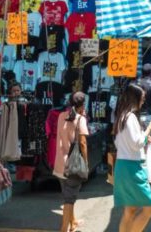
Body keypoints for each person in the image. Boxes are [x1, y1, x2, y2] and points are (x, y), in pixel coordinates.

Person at [113, 83, 151, 232]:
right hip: (133, 168)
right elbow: (137, 144)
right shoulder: (130, 118)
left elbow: (123, 142)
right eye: (142, 98)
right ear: (135, 99)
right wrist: (150, 128)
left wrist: (144, 136)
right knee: (150, 207)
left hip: (123, 166)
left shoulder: (121, 117)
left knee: (130, 210)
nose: (143, 101)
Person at [53, 92, 89, 232]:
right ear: (82, 105)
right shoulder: (80, 119)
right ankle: (63, 228)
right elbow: (83, 144)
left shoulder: (61, 116)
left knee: (68, 195)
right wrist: (86, 162)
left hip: (59, 163)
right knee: (69, 199)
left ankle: (73, 222)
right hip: (73, 165)